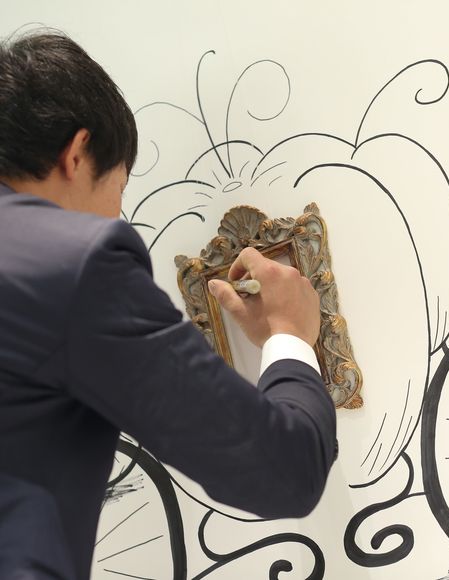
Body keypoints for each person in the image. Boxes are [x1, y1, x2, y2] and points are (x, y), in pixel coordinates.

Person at [0, 30, 337, 579]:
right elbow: (285, 471)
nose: (116, 217)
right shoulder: (71, 264)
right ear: (77, 154)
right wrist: (291, 336)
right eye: (118, 190)